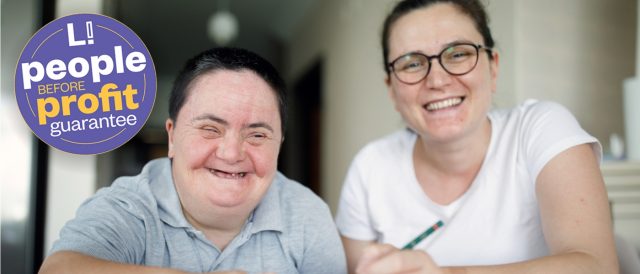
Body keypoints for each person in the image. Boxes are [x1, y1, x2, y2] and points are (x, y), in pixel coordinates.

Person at [335, 0, 618, 273]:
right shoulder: (370, 167)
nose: (437, 80)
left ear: (493, 67)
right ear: (391, 90)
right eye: (411, 64)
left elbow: (597, 266)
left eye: (458, 54)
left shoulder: (542, 128)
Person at [39, 47, 347, 274]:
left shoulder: (308, 214)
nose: (231, 153)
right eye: (210, 129)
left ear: (278, 145)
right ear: (172, 137)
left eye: (256, 135)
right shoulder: (130, 207)